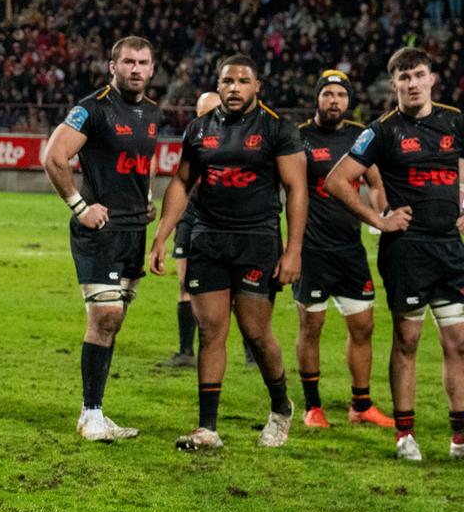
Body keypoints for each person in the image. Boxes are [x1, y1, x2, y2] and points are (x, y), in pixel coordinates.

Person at [150, 55, 307, 451]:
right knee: (211, 331)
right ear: (217, 86)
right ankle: (207, 428)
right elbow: (183, 183)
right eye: (227, 81)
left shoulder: (277, 129)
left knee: (255, 333)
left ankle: (280, 407)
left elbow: (297, 190)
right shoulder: (200, 129)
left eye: (242, 81)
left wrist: (294, 252)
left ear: (257, 86)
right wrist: (161, 236)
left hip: (257, 241)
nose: (234, 87)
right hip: (208, 239)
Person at [324, 47, 464, 461]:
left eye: (419, 75)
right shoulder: (382, 131)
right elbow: (337, 181)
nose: (413, 83)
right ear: (394, 85)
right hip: (406, 251)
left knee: (457, 342)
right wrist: (378, 218)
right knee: (408, 339)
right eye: (404, 78)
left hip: (449, 250)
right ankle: (405, 434)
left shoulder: (454, 121)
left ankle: (459, 437)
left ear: (432, 79)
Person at [42, 36, 162, 441]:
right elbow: (53, 157)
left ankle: (93, 411)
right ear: (112, 66)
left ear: (151, 69)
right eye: (127, 61)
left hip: (133, 231)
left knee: (115, 321)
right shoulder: (91, 109)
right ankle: (91, 413)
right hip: (99, 230)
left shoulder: (152, 113)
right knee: (105, 317)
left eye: (142, 63)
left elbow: (140, 165)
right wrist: (81, 207)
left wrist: (146, 198)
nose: (135, 69)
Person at [292, 70, 394, 431]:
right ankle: (312, 406)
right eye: (327, 94)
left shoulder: (359, 137)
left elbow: (376, 182)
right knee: (311, 326)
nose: (334, 101)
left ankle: (361, 404)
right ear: (317, 98)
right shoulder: (300, 138)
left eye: (340, 95)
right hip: (311, 251)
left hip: (349, 249)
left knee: (363, 326)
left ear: (349, 100)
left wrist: (382, 212)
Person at [160, 90, 223, 368]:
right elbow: (182, 182)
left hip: (223, 218)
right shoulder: (193, 137)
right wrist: (169, 226)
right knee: (185, 283)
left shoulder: (240, 141)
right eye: (203, 114)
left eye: (214, 113)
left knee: (232, 288)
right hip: (190, 213)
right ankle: (186, 351)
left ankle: (250, 354)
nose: (208, 119)